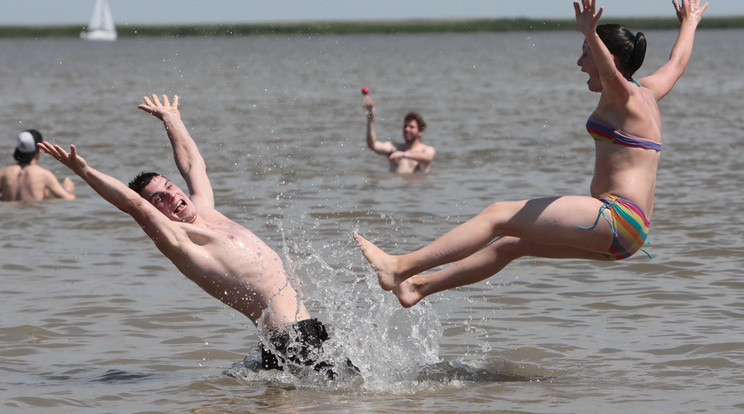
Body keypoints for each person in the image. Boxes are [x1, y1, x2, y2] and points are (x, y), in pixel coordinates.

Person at [353, 0, 708, 308]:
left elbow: (610, 70)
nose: (579, 62)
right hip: (632, 233)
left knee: (496, 214)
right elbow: (676, 64)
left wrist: (590, 33)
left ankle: (399, 267)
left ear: (607, 60)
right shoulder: (646, 91)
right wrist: (689, 22)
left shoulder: (624, 96)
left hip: (617, 217)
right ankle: (417, 287)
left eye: (585, 54)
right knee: (511, 244)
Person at [40, 94, 355, 379]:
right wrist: (84, 171)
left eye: (169, 187)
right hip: (288, 339)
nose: (171, 196)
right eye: (159, 199)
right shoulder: (180, 240)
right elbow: (133, 203)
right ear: (157, 215)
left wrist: (172, 120)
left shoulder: (205, 211)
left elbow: (193, 165)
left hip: (304, 332)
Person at [363, 93, 436, 173]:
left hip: (418, 186)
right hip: (396, 185)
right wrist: (371, 119)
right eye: (405, 126)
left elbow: (427, 158)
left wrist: (404, 154)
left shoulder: (426, 150)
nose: (407, 129)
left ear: (421, 132)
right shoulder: (394, 148)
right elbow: (373, 145)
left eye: (411, 127)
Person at [0, 129, 75, 202]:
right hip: (33, 214)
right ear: (40, 149)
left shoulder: (3, 173)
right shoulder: (43, 174)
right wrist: (68, 188)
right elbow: (68, 199)